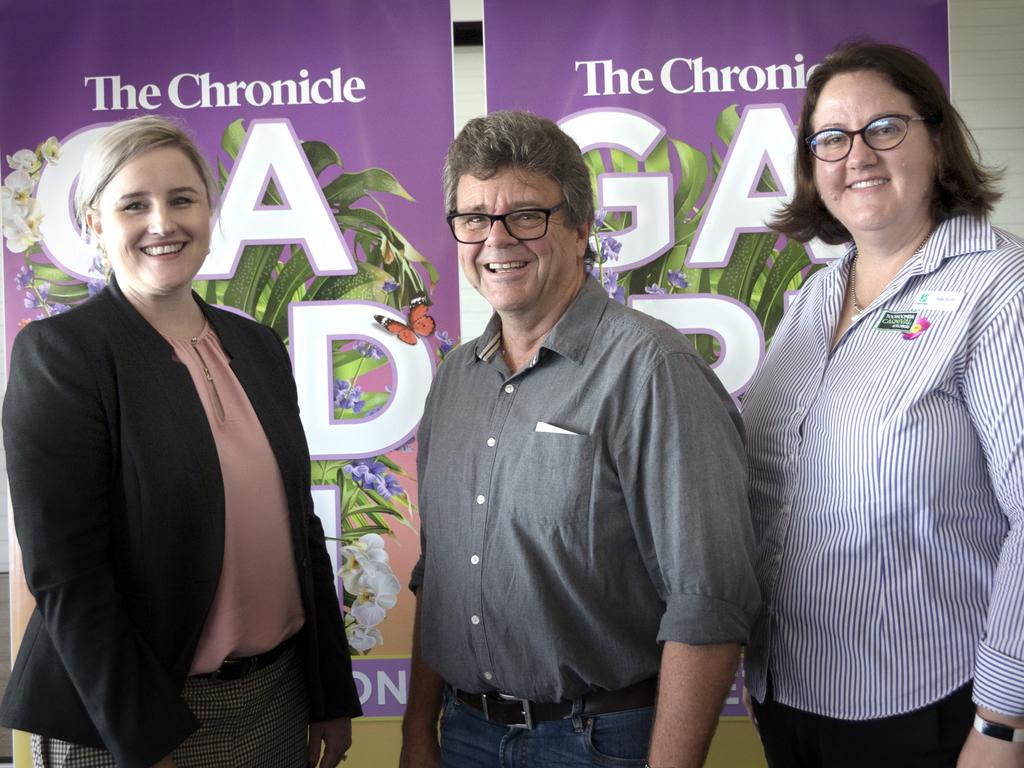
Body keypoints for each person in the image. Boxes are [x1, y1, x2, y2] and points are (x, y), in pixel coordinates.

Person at [398, 110, 760, 768]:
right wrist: (417, 733)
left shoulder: (653, 371)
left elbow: (707, 601)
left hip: (600, 742)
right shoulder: (454, 380)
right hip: (466, 736)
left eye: (526, 216)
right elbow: (440, 575)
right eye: (474, 218)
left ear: (581, 228)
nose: (496, 240)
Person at [0, 116, 361, 768]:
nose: (162, 222)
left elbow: (301, 530)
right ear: (94, 225)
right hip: (126, 716)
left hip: (273, 699)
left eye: (182, 199)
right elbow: (67, 576)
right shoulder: (61, 356)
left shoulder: (255, 345)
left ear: (208, 211)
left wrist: (330, 690)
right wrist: (143, 740)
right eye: (134, 204)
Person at [742, 41, 1024, 767]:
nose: (856, 154)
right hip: (791, 698)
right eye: (831, 138)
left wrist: (1002, 721)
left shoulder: (999, 287)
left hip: (935, 706)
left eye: (884, 129)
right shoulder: (811, 300)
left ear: (936, 138)